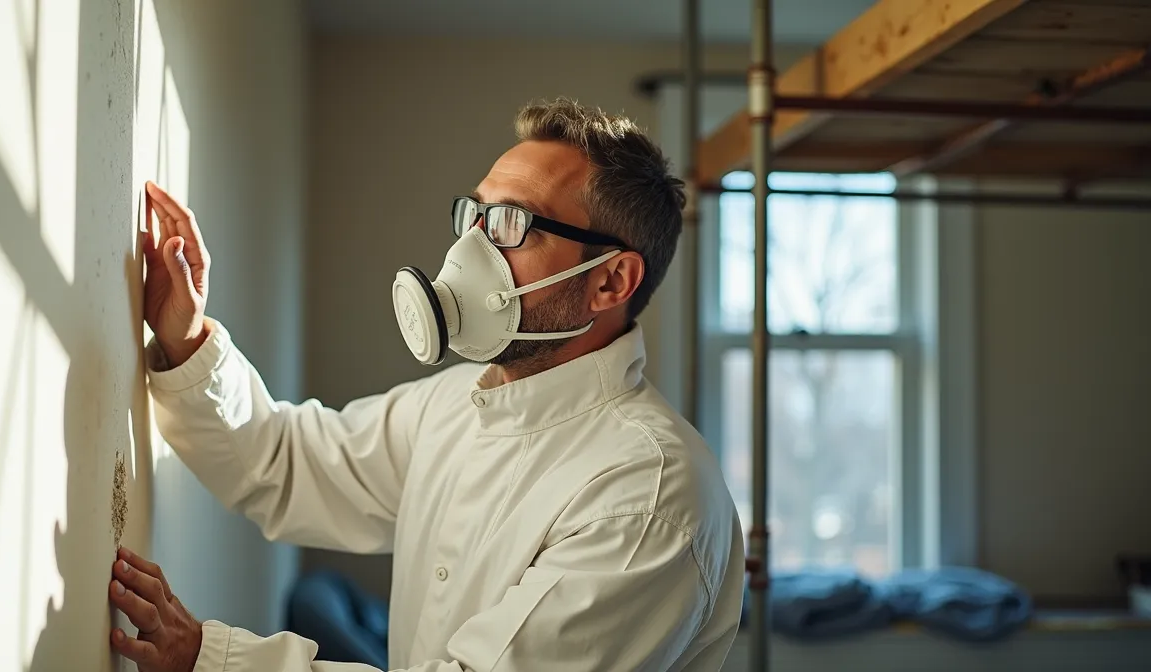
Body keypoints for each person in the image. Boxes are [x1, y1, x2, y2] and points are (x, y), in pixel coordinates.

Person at [108, 98, 745, 672]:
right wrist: (186, 338)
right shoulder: (457, 401)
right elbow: (283, 462)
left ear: (610, 282)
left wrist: (211, 660)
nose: (471, 247)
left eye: (512, 224)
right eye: (475, 213)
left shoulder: (650, 497)